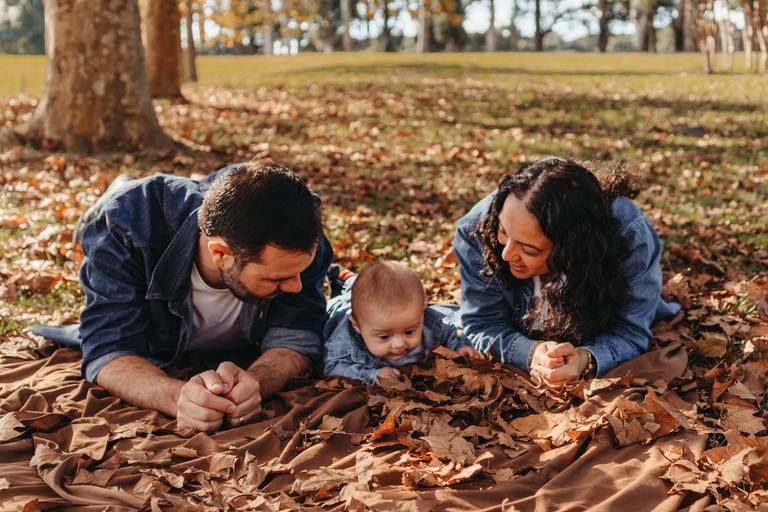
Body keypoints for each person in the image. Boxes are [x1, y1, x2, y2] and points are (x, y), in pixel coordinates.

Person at [34, 162, 332, 432]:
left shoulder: (298, 240)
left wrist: (256, 382)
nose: (297, 286)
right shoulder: (126, 227)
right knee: (109, 213)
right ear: (220, 254)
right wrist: (179, 397)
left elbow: (297, 337)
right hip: (136, 216)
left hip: (220, 207)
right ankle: (116, 188)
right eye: (277, 279)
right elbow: (108, 351)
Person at [453, 157, 679, 387]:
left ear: (571, 250)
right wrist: (530, 353)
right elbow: (483, 322)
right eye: (503, 233)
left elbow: (629, 331)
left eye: (529, 248)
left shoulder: (629, 234)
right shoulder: (477, 229)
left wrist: (586, 359)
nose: (506, 254)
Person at [323, 260, 480, 385]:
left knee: (366, 292)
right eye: (384, 337)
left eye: (409, 332)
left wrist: (461, 347)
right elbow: (333, 367)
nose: (399, 344)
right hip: (341, 309)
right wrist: (373, 375)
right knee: (347, 299)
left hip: (371, 308)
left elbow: (448, 334)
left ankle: (349, 279)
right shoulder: (345, 343)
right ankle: (345, 279)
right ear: (357, 326)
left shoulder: (428, 323)